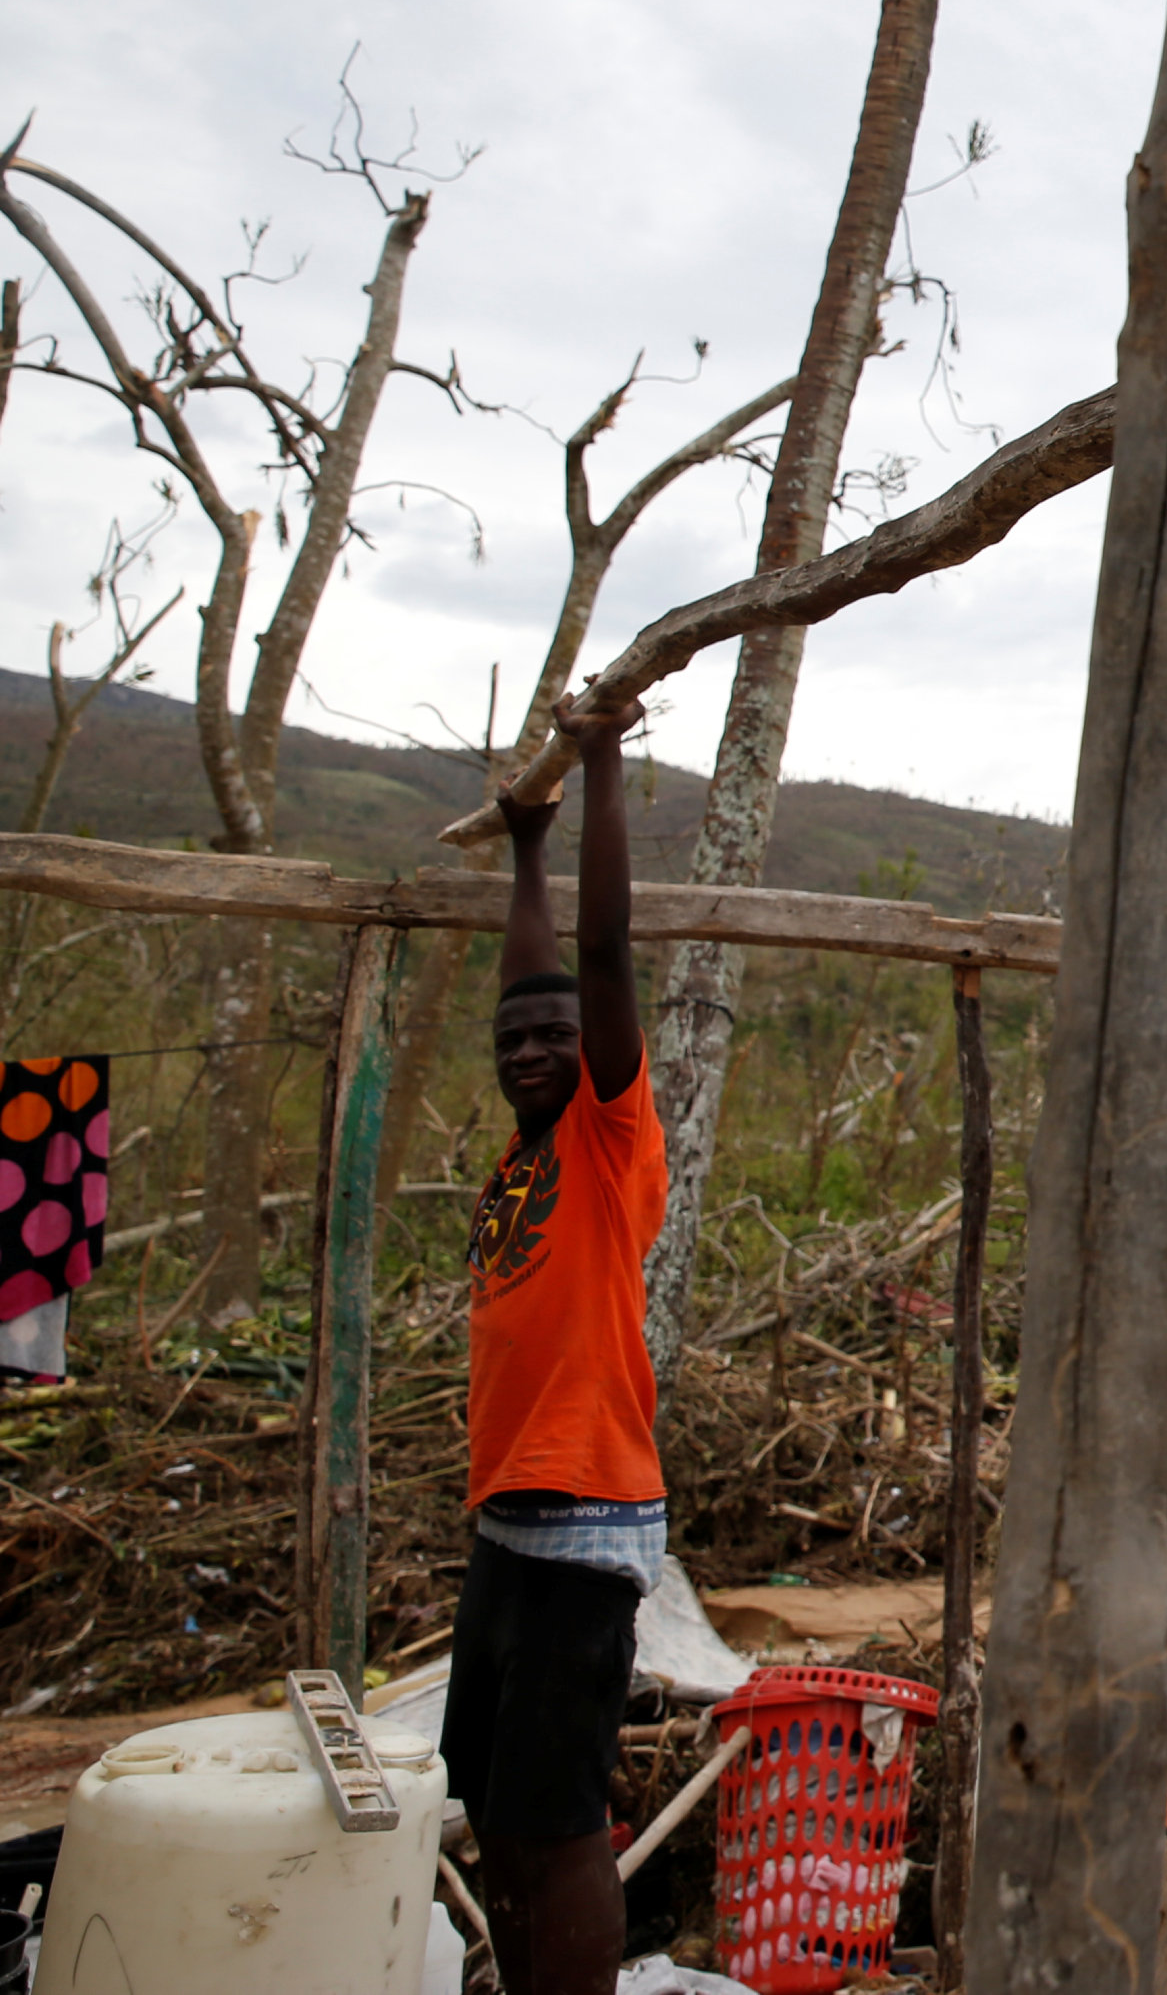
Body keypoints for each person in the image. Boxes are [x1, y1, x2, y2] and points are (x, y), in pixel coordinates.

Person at [444, 696, 666, 1995]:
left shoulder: (603, 1137)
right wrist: (522, 848)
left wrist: (596, 760)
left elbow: (597, 950)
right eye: (513, 1041)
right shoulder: (513, 1168)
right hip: (508, 1525)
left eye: (555, 1037)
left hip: (584, 1520)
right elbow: (535, 977)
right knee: (493, 1798)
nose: (535, 1047)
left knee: (562, 1817)